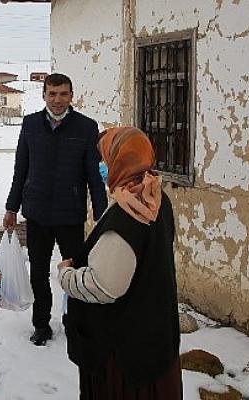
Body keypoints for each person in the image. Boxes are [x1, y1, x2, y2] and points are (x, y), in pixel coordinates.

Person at [57, 127, 182, 399]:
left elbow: (105, 286)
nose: (101, 166)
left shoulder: (128, 216)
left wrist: (66, 275)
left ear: (121, 161)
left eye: (106, 159)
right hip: (152, 333)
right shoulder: (155, 198)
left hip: (125, 349)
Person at [3, 73, 108, 346]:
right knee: (38, 272)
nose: (57, 99)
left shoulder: (86, 127)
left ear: (72, 95)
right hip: (37, 213)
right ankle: (41, 325)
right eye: (52, 94)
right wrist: (11, 207)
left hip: (70, 214)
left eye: (63, 94)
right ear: (44, 95)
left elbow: (94, 175)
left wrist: (101, 213)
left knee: (76, 270)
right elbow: (20, 169)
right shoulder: (30, 125)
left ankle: (76, 322)